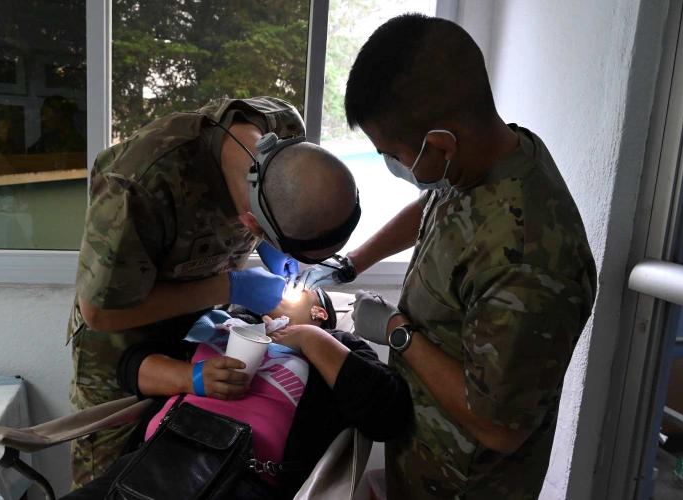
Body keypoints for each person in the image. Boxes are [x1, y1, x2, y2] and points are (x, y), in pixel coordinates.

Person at [300, 15, 597, 500]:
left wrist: (397, 331)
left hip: (464, 483)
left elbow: (500, 427)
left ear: (440, 144)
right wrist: (353, 262)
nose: (392, 165)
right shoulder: (485, 157)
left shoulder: (527, 261)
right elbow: (438, 208)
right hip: (419, 458)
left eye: (391, 154)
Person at [68, 96, 360, 488]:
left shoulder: (284, 132)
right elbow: (100, 313)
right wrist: (229, 286)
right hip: (121, 341)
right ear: (250, 222)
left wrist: (274, 252)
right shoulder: (139, 186)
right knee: (119, 480)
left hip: (197, 338)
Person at [63, 289, 413, 499]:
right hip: (153, 462)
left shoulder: (337, 347)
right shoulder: (222, 323)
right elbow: (130, 369)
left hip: (246, 479)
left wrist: (311, 339)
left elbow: (387, 415)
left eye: (293, 290)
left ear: (318, 312)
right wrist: (191, 377)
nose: (278, 290)